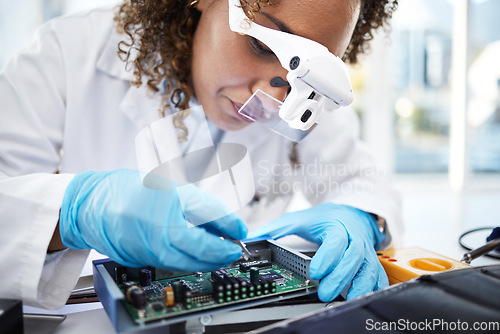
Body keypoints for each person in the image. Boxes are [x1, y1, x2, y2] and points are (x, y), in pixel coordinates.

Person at [0, 0, 401, 309]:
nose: (275, 100)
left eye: (302, 78)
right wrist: (71, 213)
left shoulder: (300, 102)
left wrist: (360, 217)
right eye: (262, 45)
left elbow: (363, 181)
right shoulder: (67, 56)